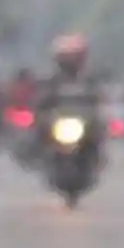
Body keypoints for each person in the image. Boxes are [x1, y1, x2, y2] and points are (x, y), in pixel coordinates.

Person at [35, 33, 104, 164]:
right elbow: (40, 100)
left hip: (83, 121)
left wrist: (98, 104)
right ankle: (40, 156)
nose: (70, 62)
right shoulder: (51, 80)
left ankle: (96, 157)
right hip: (57, 120)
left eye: (74, 58)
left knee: (98, 128)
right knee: (39, 129)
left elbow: (99, 98)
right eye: (66, 58)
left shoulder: (90, 80)